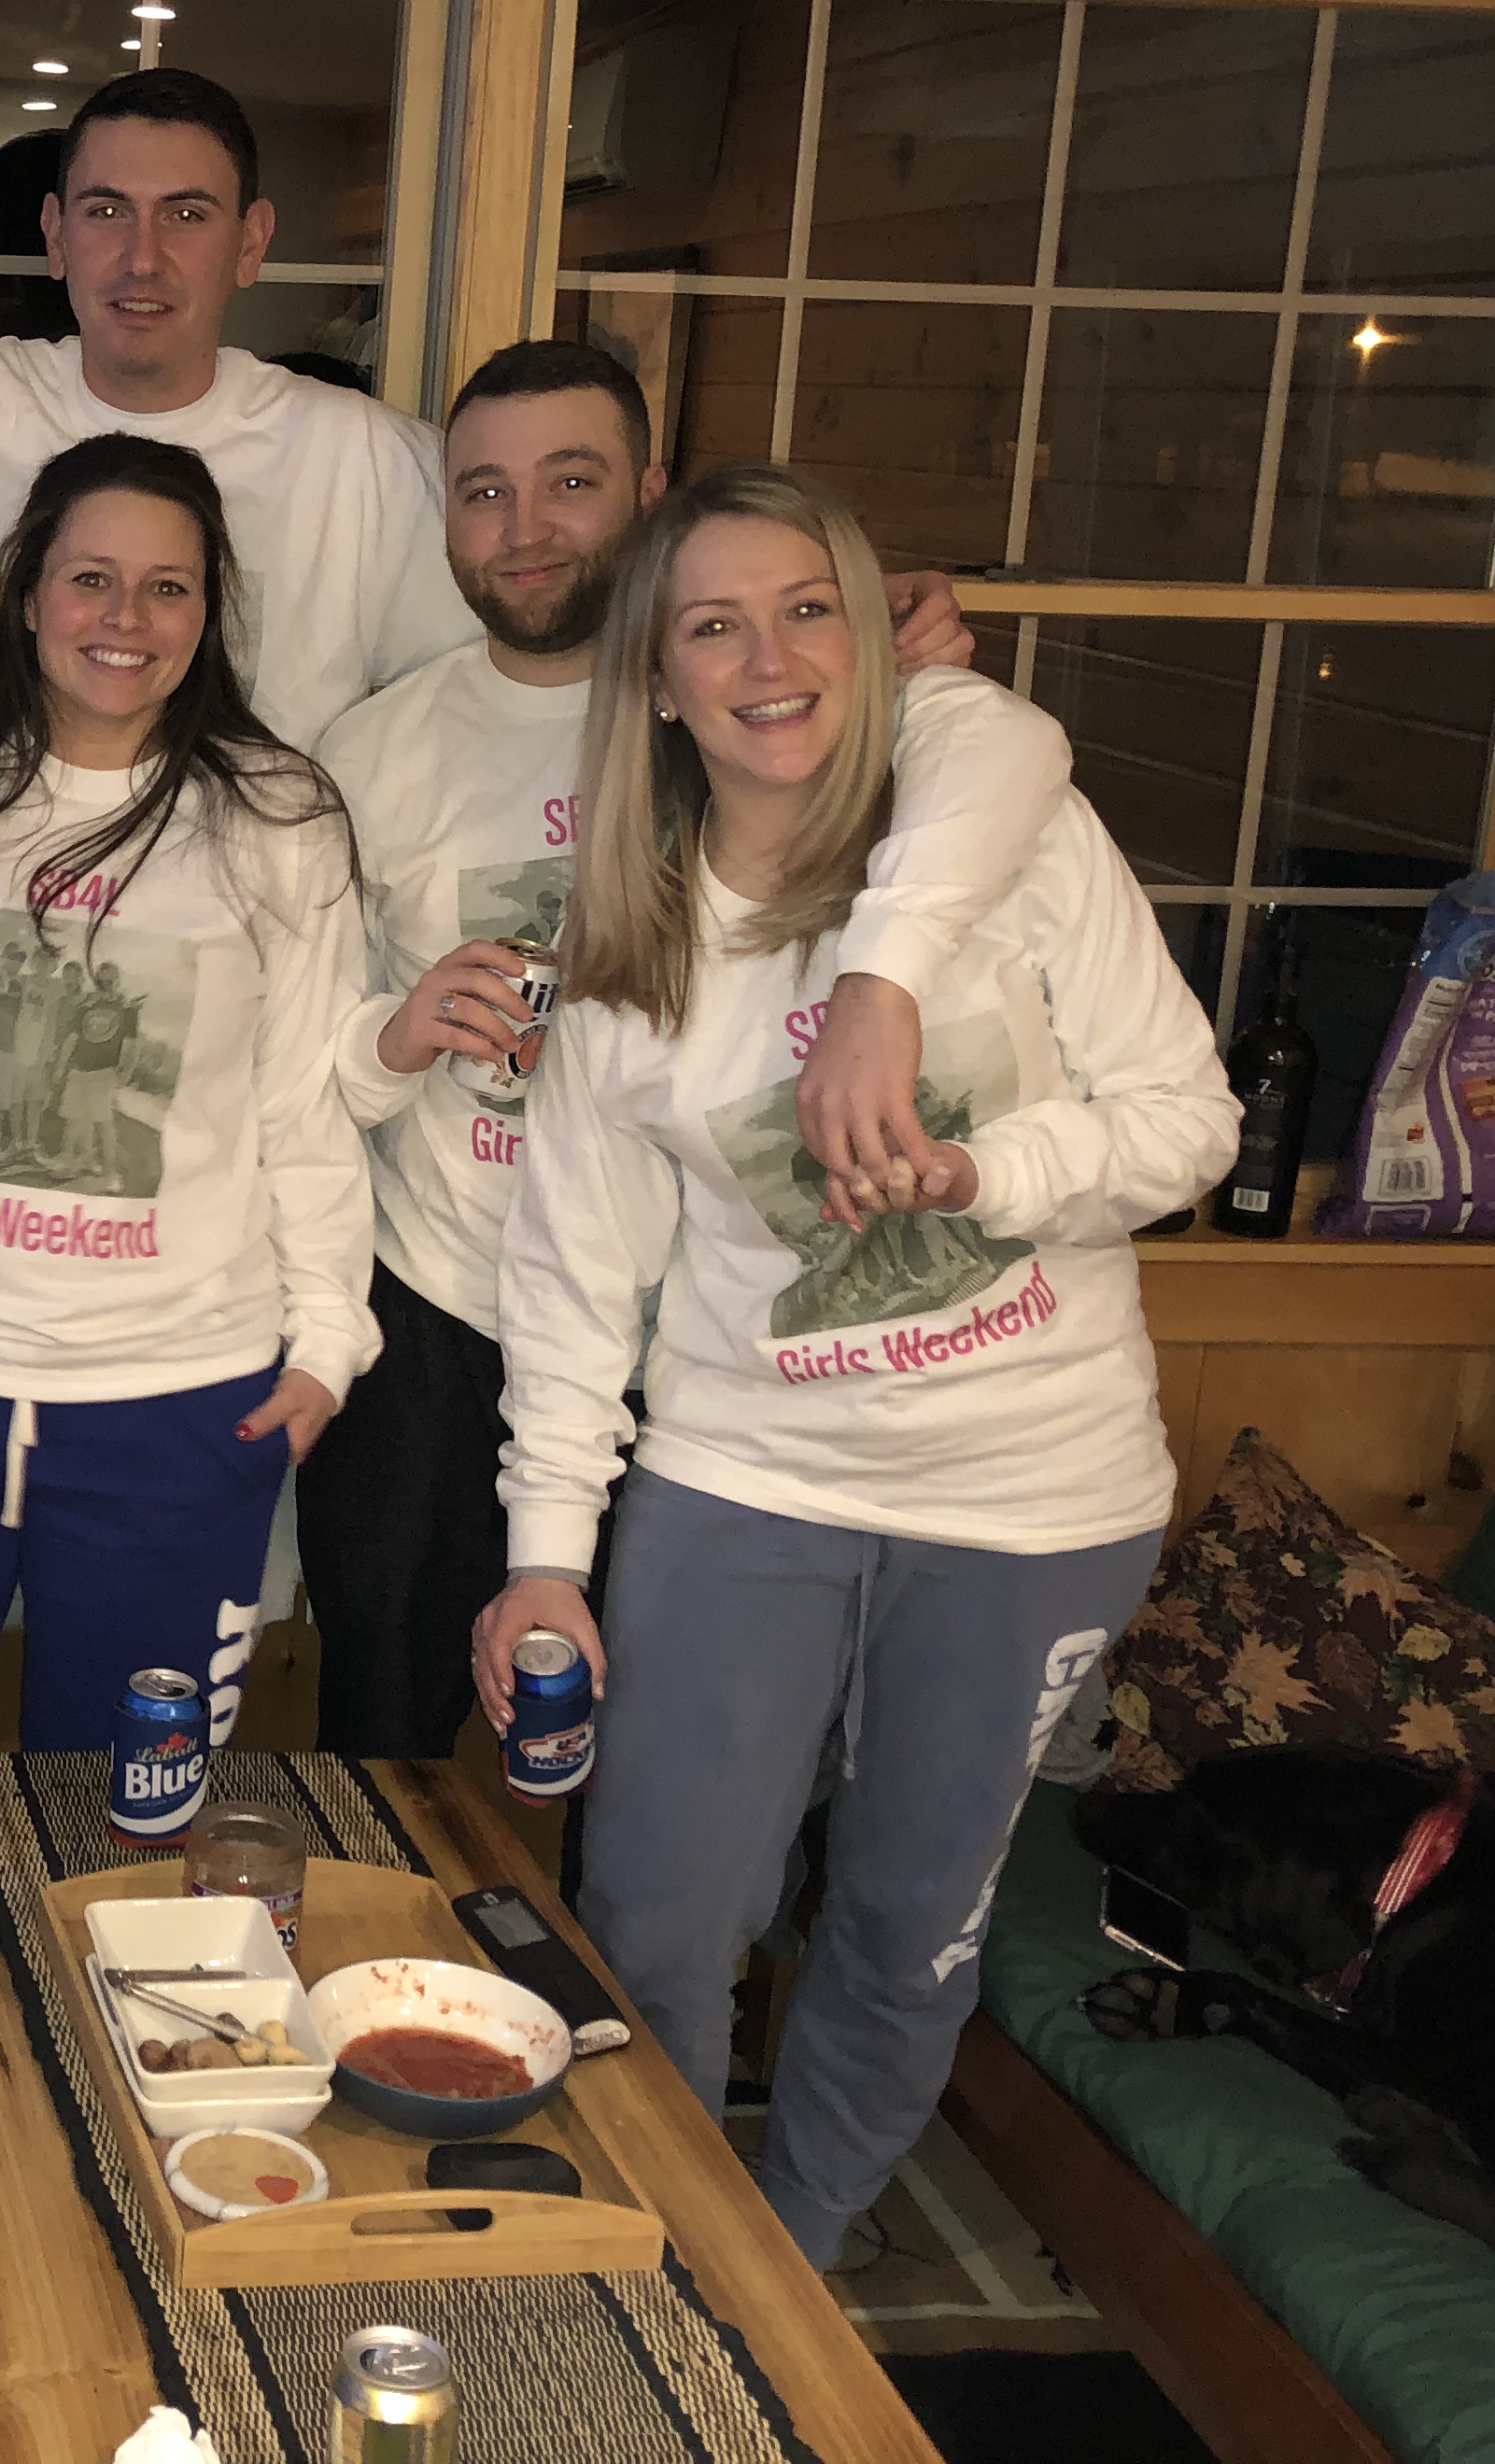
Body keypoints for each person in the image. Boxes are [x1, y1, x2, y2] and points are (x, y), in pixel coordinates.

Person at [473, 462, 1235, 2268]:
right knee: (660, 1910)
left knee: (907, 1920)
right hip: (746, 1485)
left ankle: (797, 2249)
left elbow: (1185, 1123)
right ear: (657, 680)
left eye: (807, 607)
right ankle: (662, 2245)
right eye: (712, 625)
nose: (769, 658)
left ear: (871, 636)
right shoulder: (629, 954)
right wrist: (543, 1559)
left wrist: (984, 1173)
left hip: (1035, 1501)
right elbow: (572, 1291)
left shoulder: (1014, 841)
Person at [0, 433, 377, 2282]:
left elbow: (305, 1109)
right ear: (27, 589)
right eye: (90, 576)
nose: (126, 616)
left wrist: (326, 1340)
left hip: (177, 1410)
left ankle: (99, 2137)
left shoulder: (277, 816)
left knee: (136, 1806)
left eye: (167, 584)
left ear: (208, 612)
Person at [298, 339, 1071, 1759]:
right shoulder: (370, 753)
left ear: (653, 494)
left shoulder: (788, 707)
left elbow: (1009, 753)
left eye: (571, 481)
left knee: (677, 1757)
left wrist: (900, 659)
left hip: (714, 1330)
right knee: (383, 1728)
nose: (524, 529)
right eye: (484, 492)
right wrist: (394, 1034)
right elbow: (307, 1072)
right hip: (441, 1308)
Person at [0, 67, 461, 747]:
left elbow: (486, 691)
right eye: (107, 211)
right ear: (56, 235)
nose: (142, 258)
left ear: (251, 242)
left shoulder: (369, 462)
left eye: (186, 214)